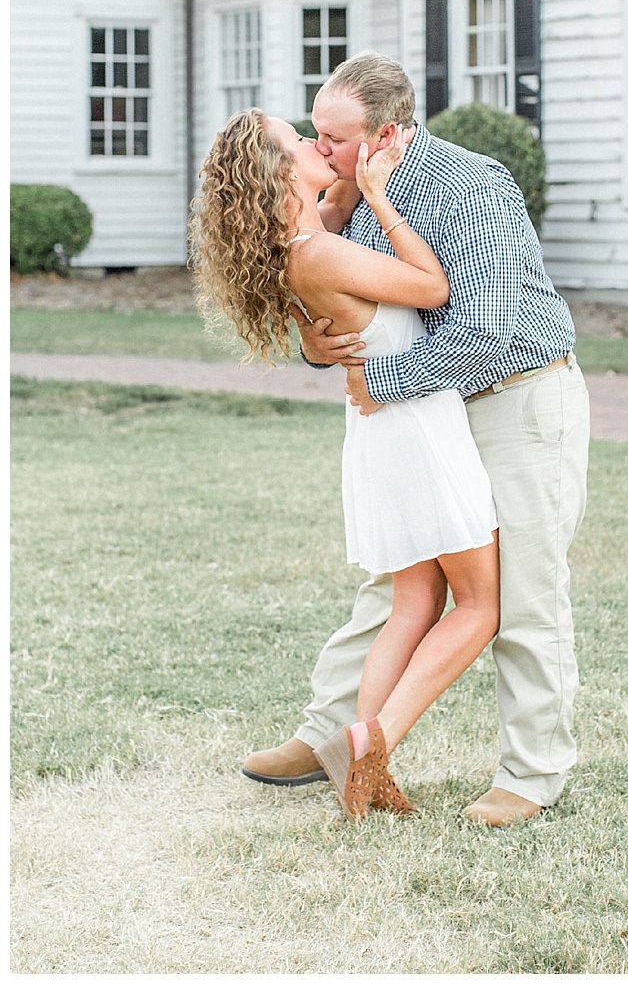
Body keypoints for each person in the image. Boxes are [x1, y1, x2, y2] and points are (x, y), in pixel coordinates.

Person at [233, 53, 589, 828]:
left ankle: (531, 775)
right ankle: (334, 736)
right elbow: (326, 291)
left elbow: (485, 330)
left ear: (385, 133)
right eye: (313, 135)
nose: (318, 150)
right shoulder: (347, 193)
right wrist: (317, 347)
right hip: (431, 411)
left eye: (333, 138)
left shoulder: (470, 186)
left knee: (519, 593)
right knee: (395, 590)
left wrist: (382, 383)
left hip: (516, 396)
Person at [192, 111, 501, 817]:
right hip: (418, 427)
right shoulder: (320, 253)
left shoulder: (295, 246)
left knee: (415, 602)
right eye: (297, 141)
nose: (312, 142)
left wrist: (350, 188)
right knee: (480, 605)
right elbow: (433, 288)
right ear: (277, 172)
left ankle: (366, 769)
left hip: (385, 431)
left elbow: (329, 211)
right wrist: (385, 198)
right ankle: (371, 741)